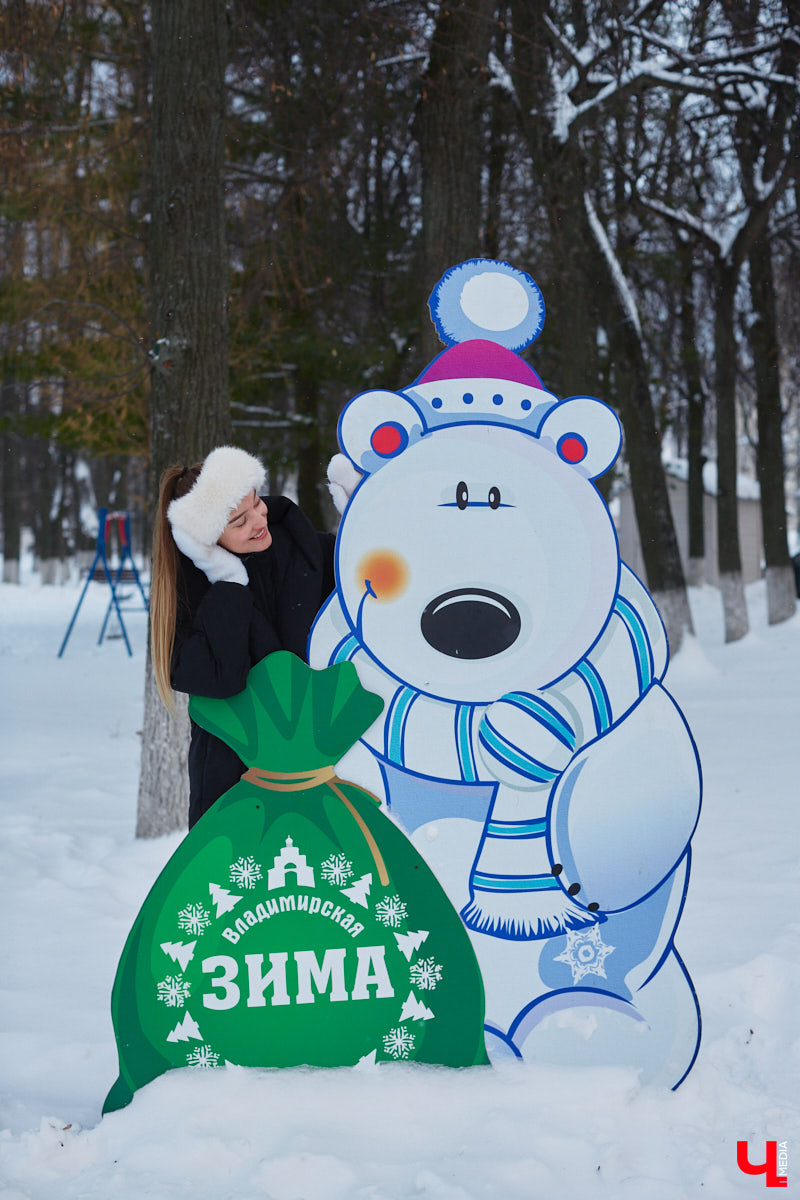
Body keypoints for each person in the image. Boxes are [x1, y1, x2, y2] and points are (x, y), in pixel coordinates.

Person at [149, 445, 336, 827]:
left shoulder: (304, 549)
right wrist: (229, 582)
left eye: (256, 503)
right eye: (238, 522)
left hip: (318, 758)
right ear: (205, 540)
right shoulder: (190, 595)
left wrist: (363, 518)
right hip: (233, 776)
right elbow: (222, 679)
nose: (258, 520)